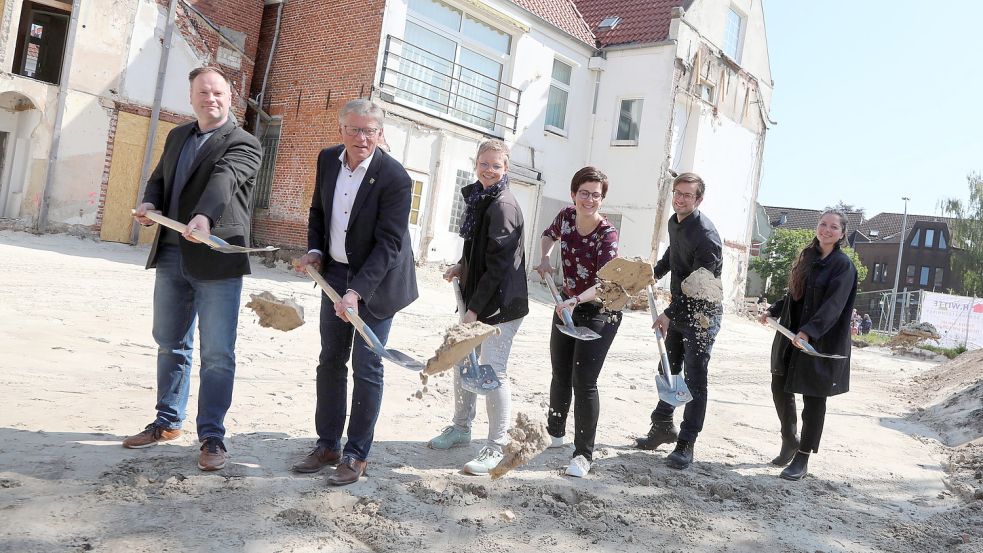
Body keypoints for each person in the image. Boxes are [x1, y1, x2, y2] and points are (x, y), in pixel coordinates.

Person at [126, 67, 263, 471]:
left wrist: (204, 217)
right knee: (170, 343)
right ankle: (167, 422)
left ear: (230, 96)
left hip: (217, 260)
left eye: (218, 92)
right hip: (171, 255)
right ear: (191, 98)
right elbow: (159, 180)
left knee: (218, 353)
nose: (211, 99)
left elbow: (224, 179)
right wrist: (150, 205)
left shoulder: (245, 142)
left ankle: (212, 436)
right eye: (203, 93)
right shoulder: (177, 136)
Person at [291, 99, 418, 486]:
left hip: (377, 283)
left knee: (367, 366)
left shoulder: (395, 177)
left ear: (381, 134)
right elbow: (318, 212)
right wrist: (315, 250)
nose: (362, 138)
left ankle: (356, 454)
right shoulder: (327, 159)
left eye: (370, 131)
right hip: (334, 274)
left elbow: (389, 244)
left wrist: (357, 292)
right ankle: (327, 444)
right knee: (330, 360)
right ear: (341, 129)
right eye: (354, 129)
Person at [427, 139, 528, 476]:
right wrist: (461, 264)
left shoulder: (503, 206)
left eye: (496, 165)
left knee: (491, 372)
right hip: (478, 299)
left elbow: (498, 265)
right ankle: (461, 428)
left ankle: (496, 447)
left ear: (506, 168)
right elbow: (478, 247)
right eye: (484, 163)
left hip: (501, 305)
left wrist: (473, 312)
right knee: (463, 362)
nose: (489, 170)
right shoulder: (481, 198)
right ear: (477, 163)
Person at [757, 210, 857, 481]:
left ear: (842, 233)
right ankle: (789, 439)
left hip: (819, 340)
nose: (826, 230)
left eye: (833, 227)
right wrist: (773, 310)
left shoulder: (843, 266)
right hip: (791, 335)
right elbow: (794, 293)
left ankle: (802, 457)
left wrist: (809, 333)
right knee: (780, 386)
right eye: (823, 224)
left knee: (814, 398)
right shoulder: (807, 256)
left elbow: (833, 307)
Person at [535, 167, 621, 478]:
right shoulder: (566, 217)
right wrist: (545, 257)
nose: (589, 199)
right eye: (583, 193)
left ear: (602, 198)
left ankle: (583, 454)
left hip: (600, 310)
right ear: (574, 194)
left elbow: (605, 282)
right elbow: (548, 235)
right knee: (560, 371)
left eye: (595, 195)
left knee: (584, 382)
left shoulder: (607, 234)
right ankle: (555, 432)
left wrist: (574, 300)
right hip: (566, 305)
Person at [634, 172, 723, 470]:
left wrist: (668, 314)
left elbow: (699, 286)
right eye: (677, 193)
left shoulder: (707, 237)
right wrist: (653, 273)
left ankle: (687, 442)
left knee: (696, 378)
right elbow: (674, 254)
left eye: (687, 195)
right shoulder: (676, 221)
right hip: (679, 306)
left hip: (702, 315)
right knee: (669, 368)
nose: (680, 198)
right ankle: (662, 425)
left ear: (699, 199)